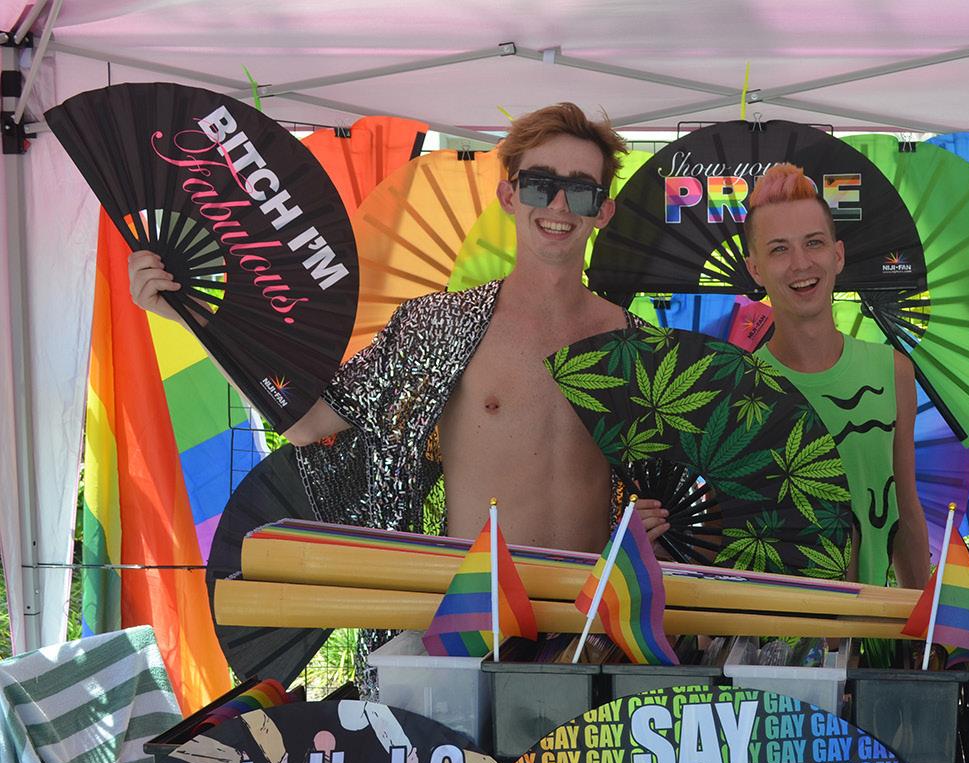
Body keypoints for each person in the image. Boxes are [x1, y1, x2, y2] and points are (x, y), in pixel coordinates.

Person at [127, 102, 667, 553]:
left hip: (597, 618)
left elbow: (674, 493)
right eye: (540, 184)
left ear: (603, 211)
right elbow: (308, 422)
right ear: (509, 196)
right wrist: (194, 316)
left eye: (581, 191)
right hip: (473, 621)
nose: (559, 205)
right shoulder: (439, 326)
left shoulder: (639, 347)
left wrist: (653, 525)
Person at [742, 163, 930, 589]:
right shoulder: (743, 387)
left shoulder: (892, 371)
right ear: (755, 269)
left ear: (837, 254)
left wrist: (925, 620)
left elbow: (905, 510)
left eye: (814, 243)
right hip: (775, 621)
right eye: (779, 249)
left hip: (875, 621)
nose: (801, 263)